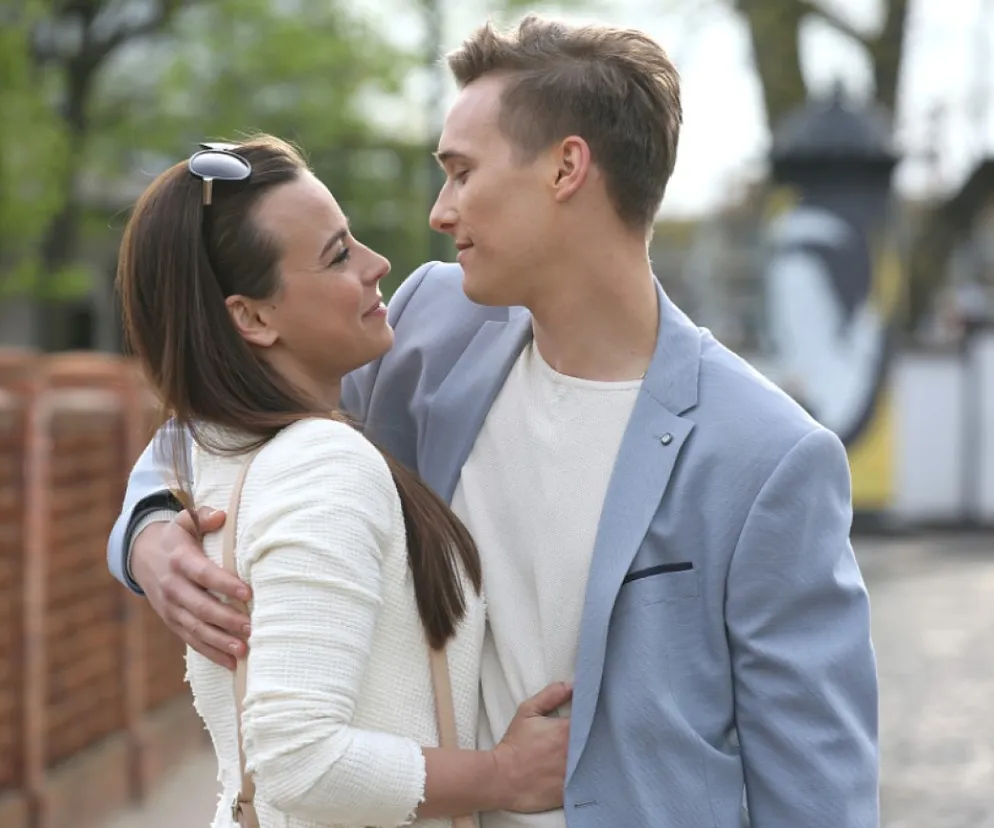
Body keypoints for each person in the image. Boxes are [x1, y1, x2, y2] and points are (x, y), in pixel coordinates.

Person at [109, 15, 880, 828]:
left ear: (565, 168)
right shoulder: (429, 329)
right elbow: (231, 414)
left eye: (462, 172)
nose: (440, 212)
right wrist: (148, 530)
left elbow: (816, 789)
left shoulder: (767, 455)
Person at [113, 133, 572, 828]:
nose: (378, 263)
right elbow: (297, 759)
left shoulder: (220, 455)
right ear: (252, 316)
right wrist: (503, 774)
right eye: (337, 255)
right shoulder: (322, 462)